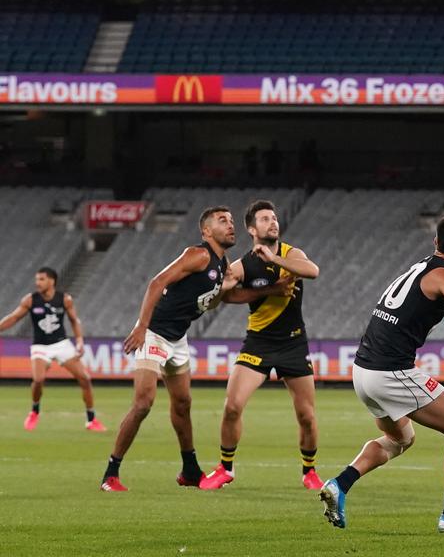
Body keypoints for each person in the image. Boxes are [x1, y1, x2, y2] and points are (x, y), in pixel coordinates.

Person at [319, 213, 444, 535]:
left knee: (400, 438)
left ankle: (340, 484)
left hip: (363, 372)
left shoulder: (422, 271)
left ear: (435, 242)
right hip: (390, 371)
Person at [100, 206, 246, 492]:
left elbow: (208, 301)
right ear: (206, 231)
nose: (230, 225)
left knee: (183, 404)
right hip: (154, 333)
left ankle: (190, 470)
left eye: (231, 220)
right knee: (143, 403)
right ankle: (110, 474)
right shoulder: (199, 254)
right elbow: (157, 282)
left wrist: (225, 289)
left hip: (178, 339)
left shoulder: (221, 263)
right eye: (222, 221)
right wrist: (142, 326)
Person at [199, 200, 322, 491]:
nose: (273, 222)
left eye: (274, 218)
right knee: (232, 407)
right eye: (265, 219)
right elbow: (223, 298)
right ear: (252, 229)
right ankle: (225, 468)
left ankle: (309, 471)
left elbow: (312, 271)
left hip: (293, 342)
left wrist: (274, 258)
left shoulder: (292, 254)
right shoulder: (242, 265)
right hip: (259, 344)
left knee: (306, 415)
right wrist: (230, 288)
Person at [0, 267, 104, 432]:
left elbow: (75, 321)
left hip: (61, 344)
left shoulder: (65, 299)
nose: (37, 283)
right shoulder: (30, 300)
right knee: (39, 379)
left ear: (51, 281)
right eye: (37, 279)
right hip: (40, 345)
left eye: (41, 279)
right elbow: (14, 317)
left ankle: (91, 420)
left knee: (85, 379)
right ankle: (34, 411)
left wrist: (79, 341)